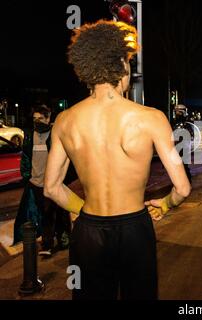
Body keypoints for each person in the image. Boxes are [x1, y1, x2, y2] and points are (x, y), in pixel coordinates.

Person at [44, 20, 191, 300]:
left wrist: (82, 207)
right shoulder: (152, 118)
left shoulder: (64, 121)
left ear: (87, 68)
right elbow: (183, 188)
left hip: (88, 232)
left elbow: (51, 188)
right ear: (122, 65)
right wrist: (166, 203)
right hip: (135, 229)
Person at [13, 105, 76, 256]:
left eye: (40, 118)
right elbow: (26, 158)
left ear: (48, 119)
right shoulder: (29, 136)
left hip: (54, 183)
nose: (37, 122)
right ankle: (48, 244)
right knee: (44, 214)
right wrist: (27, 177)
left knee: (59, 214)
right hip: (36, 184)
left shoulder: (55, 135)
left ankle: (62, 241)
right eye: (34, 119)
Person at [172, 104, 192, 183]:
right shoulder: (173, 122)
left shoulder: (187, 123)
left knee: (184, 166)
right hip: (174, 147)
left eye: (179, 112)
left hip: (184, 147)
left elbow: (191, 134)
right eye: (176, 111)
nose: (178, 113)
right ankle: (177, 183)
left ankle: (187, 182)